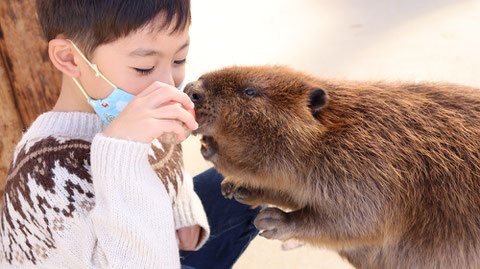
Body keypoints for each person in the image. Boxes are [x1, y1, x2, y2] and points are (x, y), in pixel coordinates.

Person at [0, 0, 259, 268]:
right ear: (70, 58)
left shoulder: (141, 106)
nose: (168, 83)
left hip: (157, 240)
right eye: (144, 67)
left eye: (179, 59)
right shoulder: (44, 177)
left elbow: (168, 167)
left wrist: (183, 212)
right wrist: (120, 153)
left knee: (263, 173)